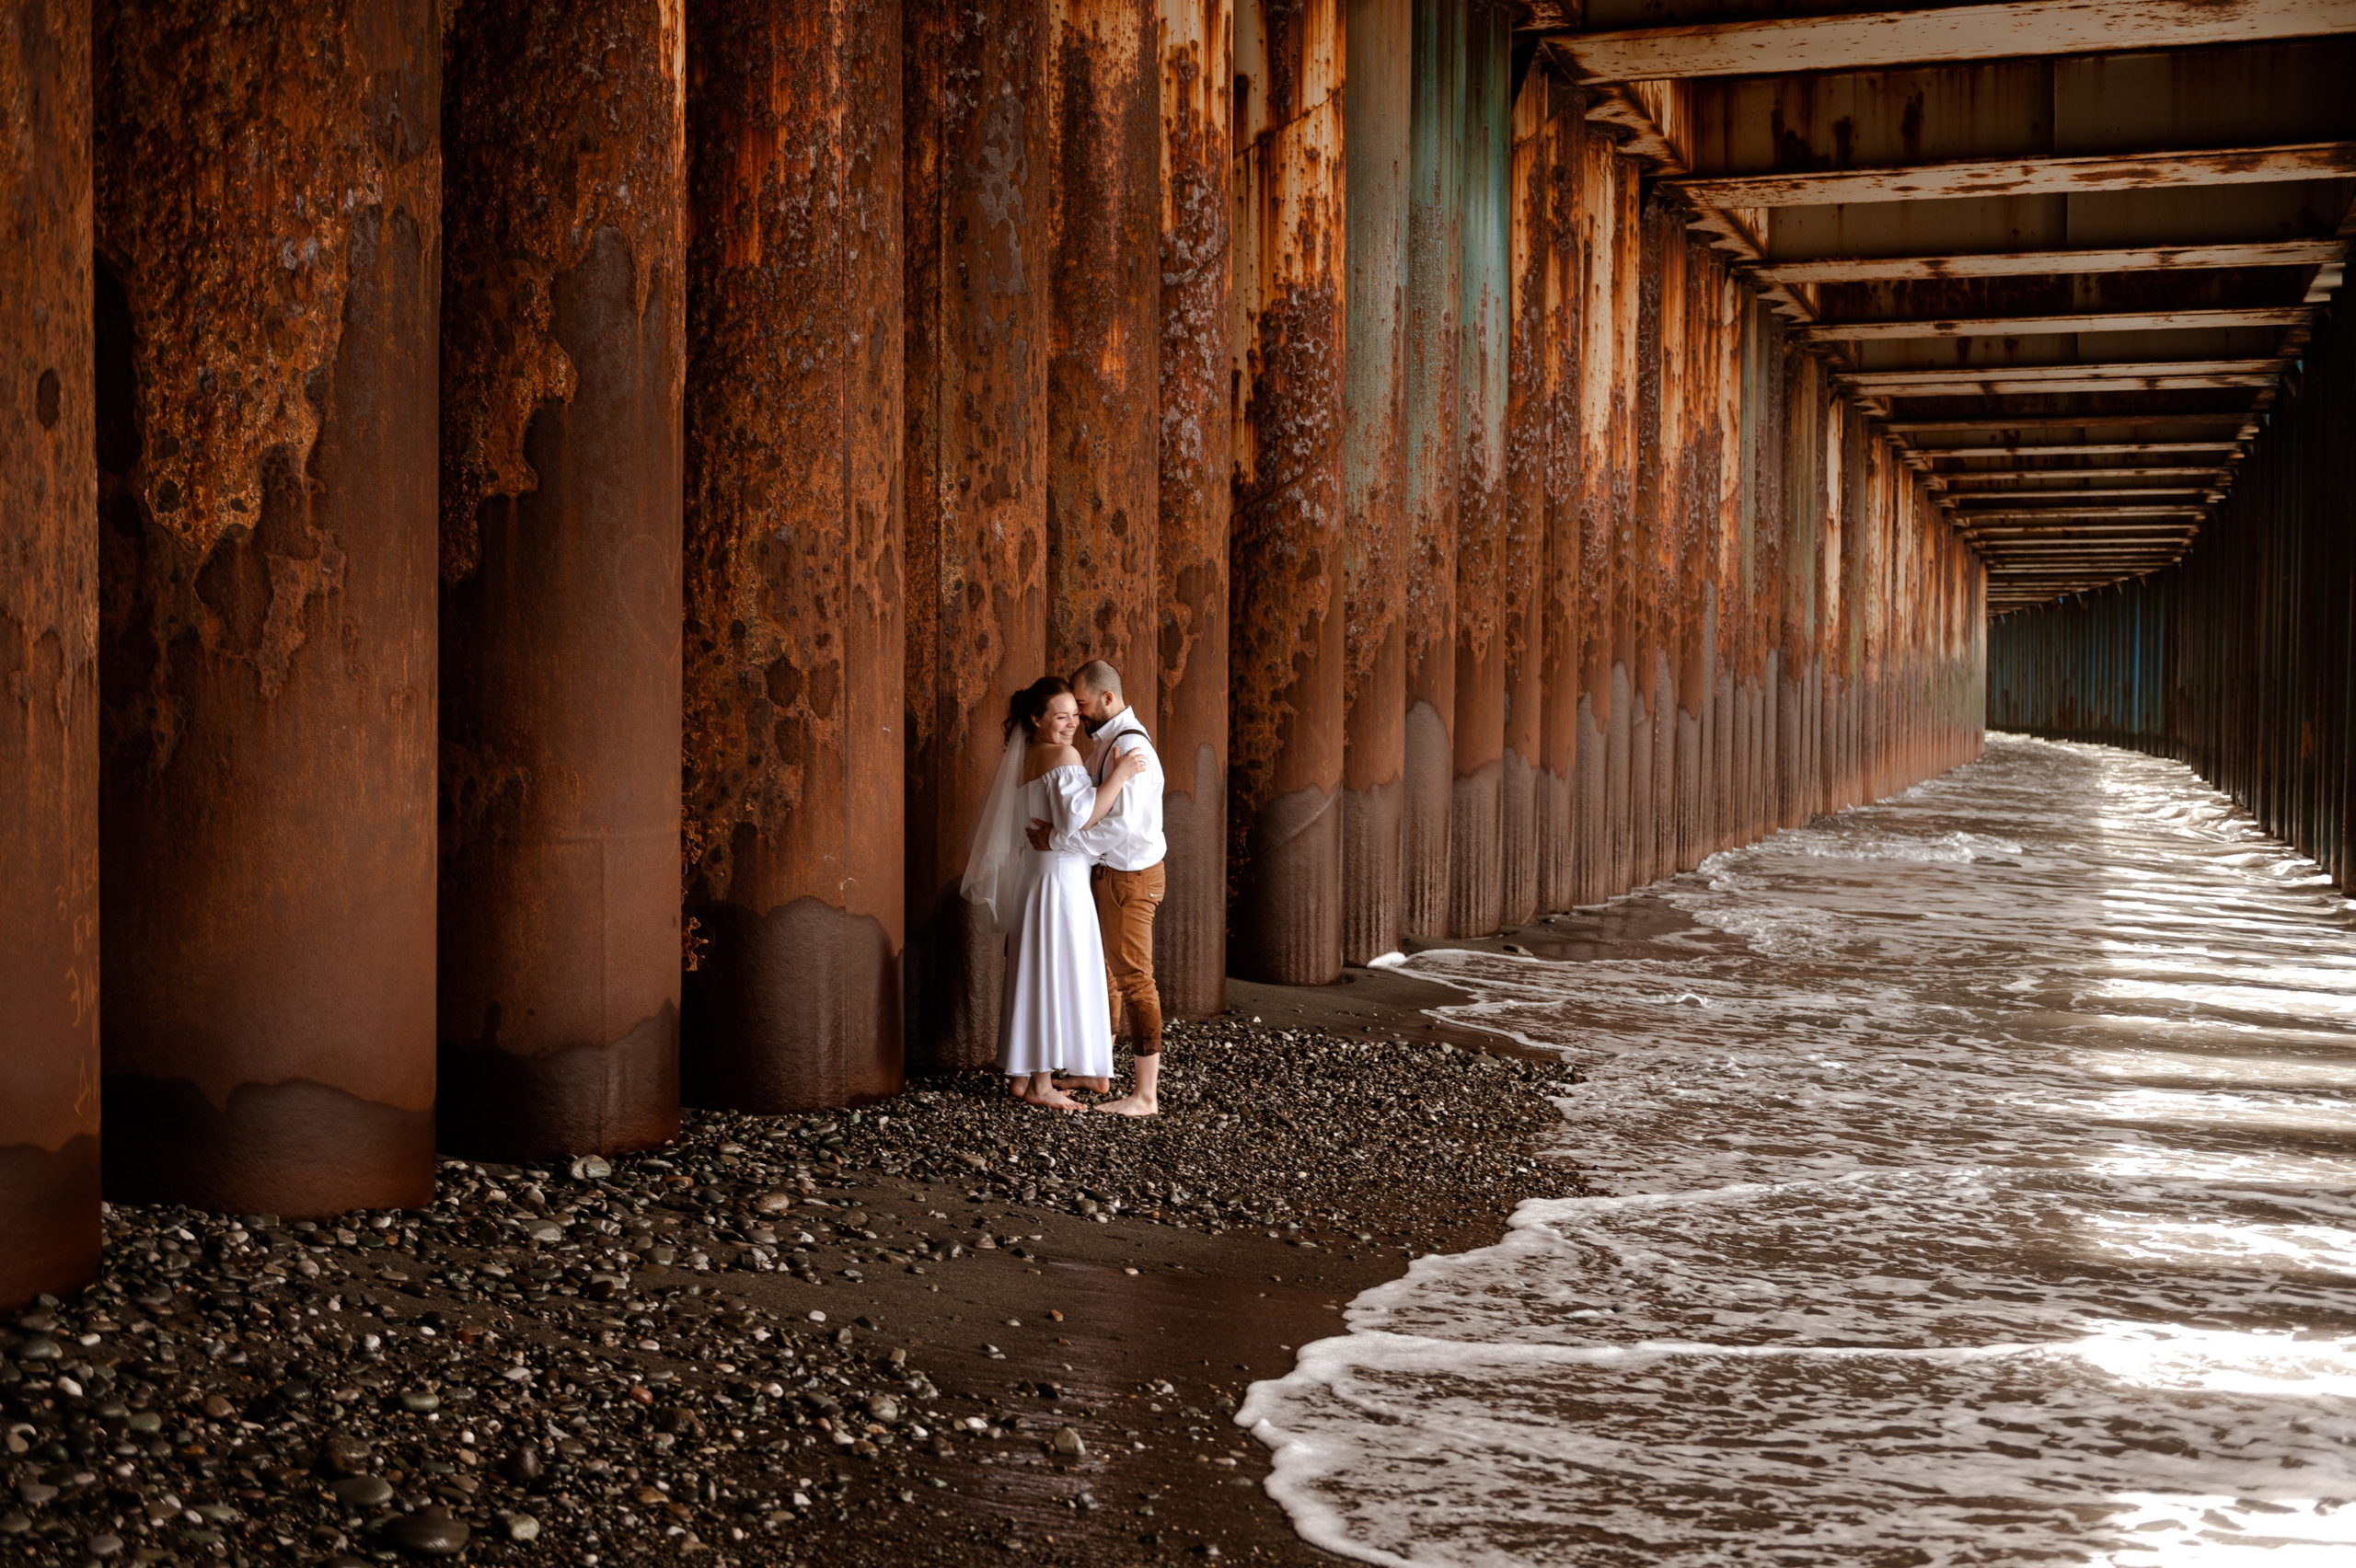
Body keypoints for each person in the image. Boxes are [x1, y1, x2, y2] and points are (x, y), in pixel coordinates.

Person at [962, 676, 1149, 1111]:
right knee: (1053, 971)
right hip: (1060, 880)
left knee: (1038, 968)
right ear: (1036, 718)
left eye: (1073, 716)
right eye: (1060, 717)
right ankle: (1041, 1086)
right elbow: (1079, 820)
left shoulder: (1029, 756)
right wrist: (1119, 775)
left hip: (1037, 877)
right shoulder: (1063, 755)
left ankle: (1025, 1076)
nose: (1070, 725)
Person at [1027, 659, 1168, 1117]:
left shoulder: (1130, 747)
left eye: (1083, 706)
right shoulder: (1105, 741)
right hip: (1109, 873)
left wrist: (1057, 839)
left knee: (1135, 981)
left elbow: (1118, 828)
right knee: (1106, 973)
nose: (1079, 716)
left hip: (1129, 876)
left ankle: (1145, 1096)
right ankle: (1097, 1070)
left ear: (1108, 699)